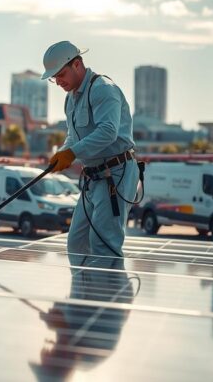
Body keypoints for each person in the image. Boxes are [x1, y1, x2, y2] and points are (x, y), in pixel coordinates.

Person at [41, 41, 140, 259]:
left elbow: (108, 131)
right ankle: (82, 292)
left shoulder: (103, 89)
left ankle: (110, 292)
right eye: (53, 77)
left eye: (60, 74)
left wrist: (72, 153)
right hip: (93, 176)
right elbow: (74, 136)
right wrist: (63, 152)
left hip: (116, 173)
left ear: (77, 64)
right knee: (77, 242)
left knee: (104, 243)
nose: (58, 81)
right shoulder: (71, 98)